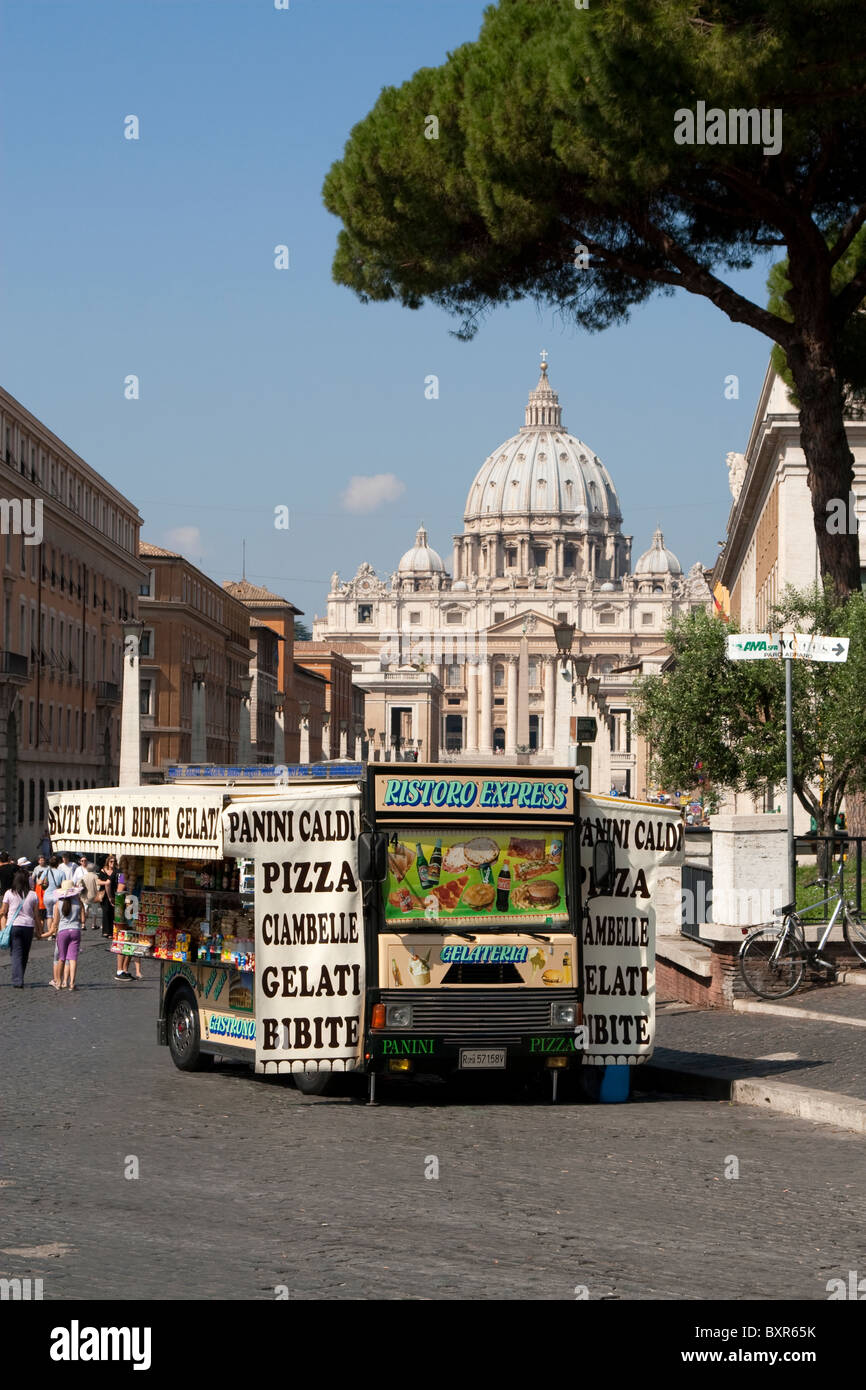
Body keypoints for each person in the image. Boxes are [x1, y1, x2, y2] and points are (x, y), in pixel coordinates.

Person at [0, 868, 43, 987]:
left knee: (16, 953)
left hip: (13, 926)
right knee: (24, 953)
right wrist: (39, 930)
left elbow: (3, 911)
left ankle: (17, 980)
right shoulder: (33, 895)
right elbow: (36, 915)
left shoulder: (9, 893)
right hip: (28, 926)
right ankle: (20, 977)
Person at [49, 879, 84, 990]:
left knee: (61, 958)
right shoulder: (78, 901)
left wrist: (51, 931)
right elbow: (84, 916)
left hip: (63, 931)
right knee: (73, 958)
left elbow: (55, 922)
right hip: (75, 931)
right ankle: (72, 984)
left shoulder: (58, 903)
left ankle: (58, 982)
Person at [42, 854, 66, 933]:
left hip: (47, 895)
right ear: (58, 864)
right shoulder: (61, 873)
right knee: (57, 915)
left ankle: (49, 933)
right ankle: (55, 932)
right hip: (57, 895)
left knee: (49, 915)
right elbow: (64, 886)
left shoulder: (46, 871)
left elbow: (39, 882)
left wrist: (45, 883)